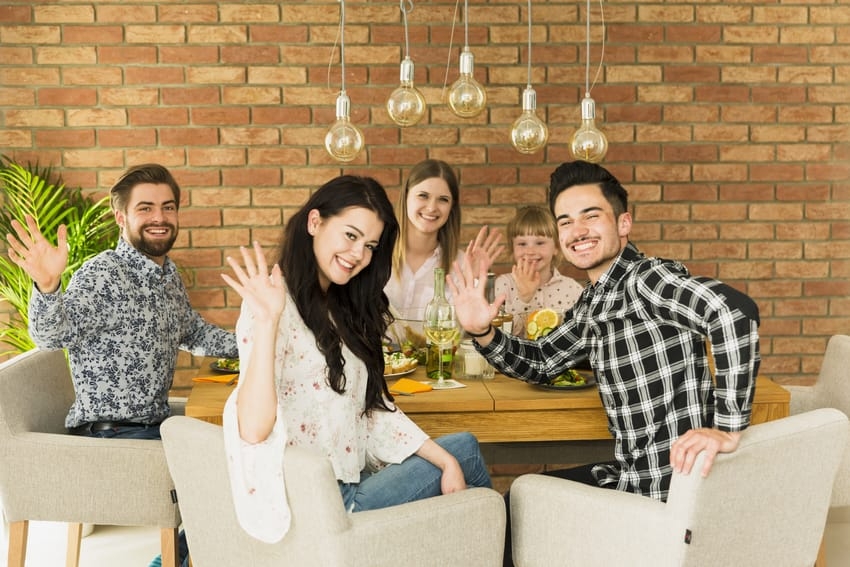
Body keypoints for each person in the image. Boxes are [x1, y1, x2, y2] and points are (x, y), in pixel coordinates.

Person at [448, 160, 760, 566]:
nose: (577, 230)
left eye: (590, 216)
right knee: (511, 509)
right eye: (565, 221)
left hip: (668, 493)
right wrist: (483, 332)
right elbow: (543, 360)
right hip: (632, 478)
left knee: (513, 512)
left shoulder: (645, 279)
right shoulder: (596, 300)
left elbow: (733, 311)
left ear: (623, 223)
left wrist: (728, 429)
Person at [219, 175, 492, 543]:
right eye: (350, 235)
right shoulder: (271, 302)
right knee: (468, 454)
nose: (359, 255)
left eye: (370, 245)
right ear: (315, 222)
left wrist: (444, 462)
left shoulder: (340, 309)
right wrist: (267, 321)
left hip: (352, 482)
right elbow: (252, 430)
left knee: (457, 457)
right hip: (323, 504)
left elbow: (369, 413)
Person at [6, 163, 238, 440]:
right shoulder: (103, 273)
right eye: (145, 208)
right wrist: (47, 286)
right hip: (115, 436)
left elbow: (193, 332)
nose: (159, 218)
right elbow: (50, 337)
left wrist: (258, 345)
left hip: (154, 427)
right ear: (120, 217)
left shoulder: (167, 274)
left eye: (168, 207)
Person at [384, 158, 501, 325]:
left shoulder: (460, 264)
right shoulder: (375, 253)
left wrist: (472, 281)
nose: (432, 207)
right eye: (423, 196)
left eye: (443, 199)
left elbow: (463, 332)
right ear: (406, 196)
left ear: (452, 207)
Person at [495, 205, 584, 337]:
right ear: (513, 249)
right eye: (522, 244)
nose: (530, 251)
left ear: (556, 247)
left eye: (540, 243)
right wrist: (524, 297)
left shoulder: (573, 289)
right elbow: (501, 337)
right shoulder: (504, 284)